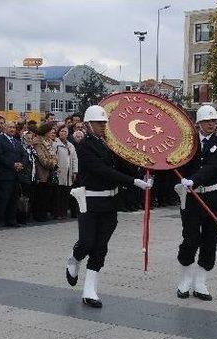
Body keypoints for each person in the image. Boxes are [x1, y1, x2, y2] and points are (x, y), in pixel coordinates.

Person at [65, 105, 152, 308]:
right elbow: (102, 170)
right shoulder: (85, 146)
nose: (102, 126)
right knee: (87, 242)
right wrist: (132, 182)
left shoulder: (109, 144)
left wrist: (143, 169)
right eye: (98, 123)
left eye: (104, 123)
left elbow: (123, 165)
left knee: (101, 246)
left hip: (110, 201)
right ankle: (74, 259)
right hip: (90, 200)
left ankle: (90, 289)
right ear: (88, 125)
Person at [175, 105, 217, 301]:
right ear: (198, 123)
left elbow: (214, 167)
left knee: (209, 241)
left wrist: (194, 179)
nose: (211, 124)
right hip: (191, 199)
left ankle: (201, 283)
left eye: (214, 121)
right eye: (207, 121)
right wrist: (180, 179)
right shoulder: (188, 144)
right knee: (190, 240)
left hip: (213, 198)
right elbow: (176, 162)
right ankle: (185, 280)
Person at [0, 117, 25, 228]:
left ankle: (11, 220)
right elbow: (0, 156)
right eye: (10, 127)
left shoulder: (17, 141)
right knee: (3, 198)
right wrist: (13, 164)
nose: (12, 129)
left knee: (13, 199)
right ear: (5, 128)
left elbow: (24, 155)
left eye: (14, 127)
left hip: (16, 175)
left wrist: (21, 164)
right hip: (5, 175)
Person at [52, 125, 78, 219]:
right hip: (59, 172)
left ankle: (63, 213)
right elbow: (53, 156)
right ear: (59, 132)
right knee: (57, 194)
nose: (63, 133)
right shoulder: (55, 143)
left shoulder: (71, 145)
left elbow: (75, 159)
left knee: (66, 194)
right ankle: (57, 213)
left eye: (65, 131)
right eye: (62, 131)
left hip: (69, 173)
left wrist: (75, 171)